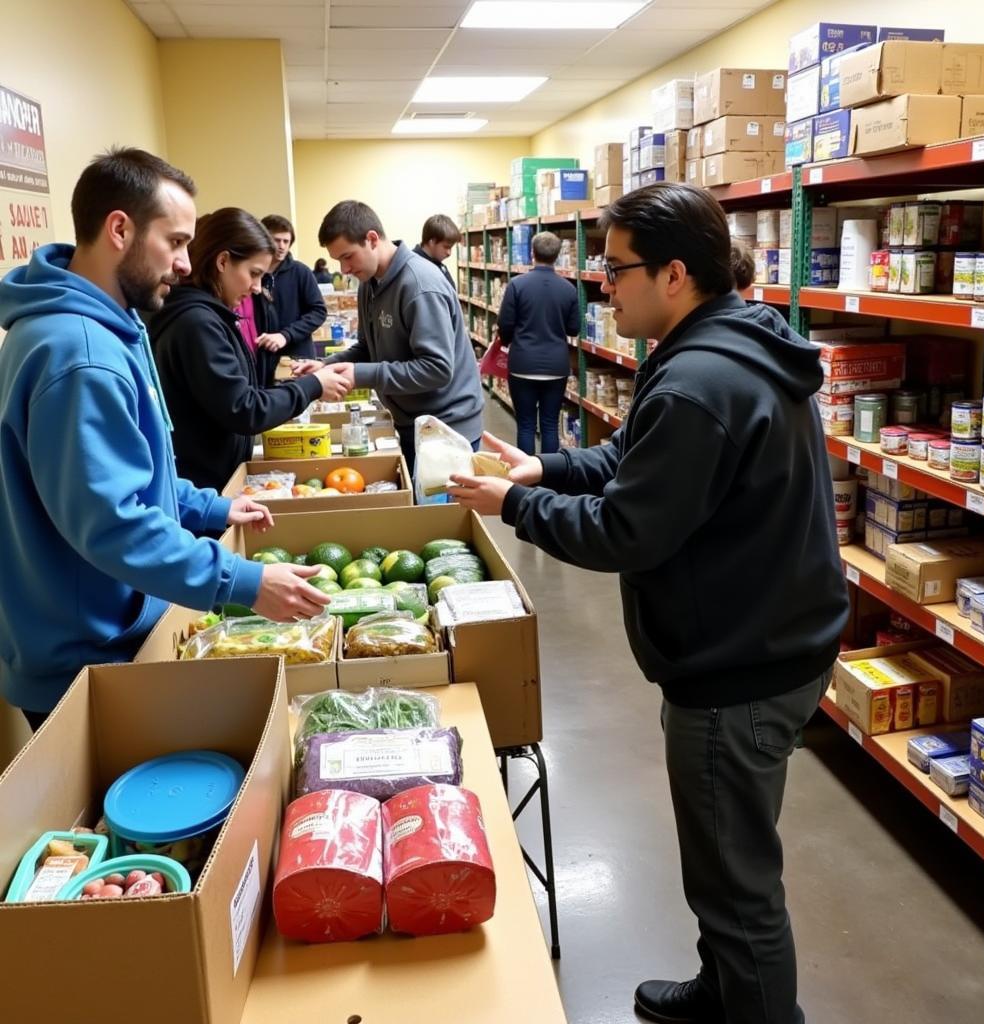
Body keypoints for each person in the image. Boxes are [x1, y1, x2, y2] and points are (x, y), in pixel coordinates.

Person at [448, 182, 849, 1024]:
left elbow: (626, 531)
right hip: (768, 638)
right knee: (720, 860)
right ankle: (722, 990)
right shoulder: (724, 341)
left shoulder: (697, 382)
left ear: (674, 274)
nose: (602, 285)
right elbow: (634, 457)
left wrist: (513, 508)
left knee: (738, 884)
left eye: (617, 268)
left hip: (738, 667)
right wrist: (543, 469)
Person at [0, 147, 332, 730]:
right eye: (175, 241)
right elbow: (112, 520)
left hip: (103, 631)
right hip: (85, 657)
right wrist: (243, 581)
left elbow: (131, 469)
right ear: (120, 230)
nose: (185, 263)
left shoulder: (106, 329)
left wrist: (209, 505)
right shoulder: (80, 355)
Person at [148, 208, 351, 492]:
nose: (257, 288)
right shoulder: (197, 324)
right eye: (253, 274)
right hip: (204, 484)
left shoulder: (207, 316)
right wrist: (311, 386)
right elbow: (244, 409)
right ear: (222, 261)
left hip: (213, 479)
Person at [292, 200, 484, 474]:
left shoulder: (420, 285)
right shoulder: (369, 284)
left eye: (348, 256)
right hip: (410, 422)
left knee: (440, 516)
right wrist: (328, 366)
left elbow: (437, 369)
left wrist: (360, 375)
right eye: (338, 260)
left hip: (445, 430)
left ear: (372, 239)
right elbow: (368, 348)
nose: (344, 269)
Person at [497, 230, 579, 454]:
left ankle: (526, 480)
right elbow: (574, 328)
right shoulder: (569, 289)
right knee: (550, 425)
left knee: (525, 425)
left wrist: (508, 342)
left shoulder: (517, 285)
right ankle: (549, 476)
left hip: (522, 364)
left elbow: (505, 324)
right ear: (557, 254)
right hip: (556, 366)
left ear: (532, 253)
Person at [254, 214, 327, 363]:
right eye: (276, 240)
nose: (281, 246)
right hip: (260, 358)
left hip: (297, 358)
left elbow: (318, 311)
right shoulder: (253, 273)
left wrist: (286, 335)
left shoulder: (301, 272)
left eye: (286, 241)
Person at [413, 213, 461, 292]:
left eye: (451, 248)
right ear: (432, 241)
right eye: (446, 247)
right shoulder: (416, 268)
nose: (449, 253)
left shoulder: (435, 263)